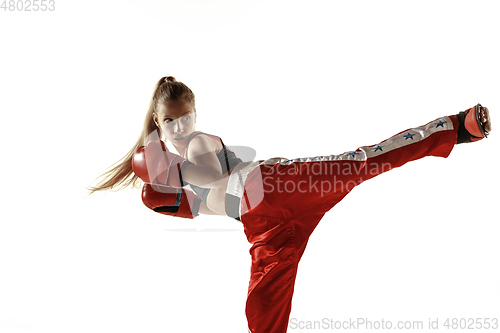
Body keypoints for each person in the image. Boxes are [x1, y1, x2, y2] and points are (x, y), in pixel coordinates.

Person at [87, 76, 492, 333]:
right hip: (262, 225)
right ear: (158, 121)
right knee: (263, 311)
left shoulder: (197, 144)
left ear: (195, 115)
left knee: (366, 160)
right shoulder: (176, 159)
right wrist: (187, 207)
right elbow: (221, 201)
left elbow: (212, 177)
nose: (181, 128)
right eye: (172, 122)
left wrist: (174, 178)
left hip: (278, 185)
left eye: (186, 118)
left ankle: (458, 125)